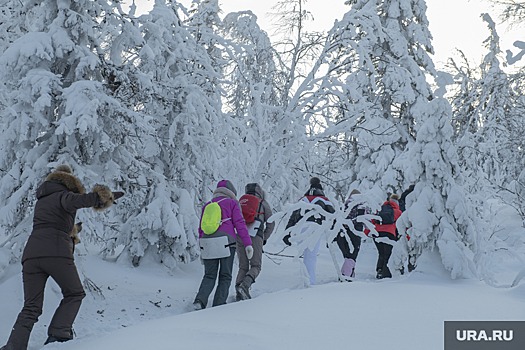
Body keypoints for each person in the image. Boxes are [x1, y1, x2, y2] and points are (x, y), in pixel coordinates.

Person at [1, 164, 123, 350]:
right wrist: (103, 196)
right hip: (56, 253)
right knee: (75, 293)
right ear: (69, 181)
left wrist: (74, 230)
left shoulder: (43, 200)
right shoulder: (64, 195)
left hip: (31, 255)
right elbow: (81, 201)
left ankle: (13, 347)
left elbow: (54, 223)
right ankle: (58, 336)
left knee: (31, 307)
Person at [193, 180, 253, 310]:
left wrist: (202, 248)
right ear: (232, 193)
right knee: (225, 275)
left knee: (209, 275)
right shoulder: (232, 203)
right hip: (226, 242)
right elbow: (240, 224)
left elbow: (200, 228)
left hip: (207, 242)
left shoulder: (208, 205)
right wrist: (248, 243)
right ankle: (218, 305)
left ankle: (200, 301)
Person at [285, 177, 335, 285]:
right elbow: (333, 215)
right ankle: (310, 281)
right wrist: (333, 233)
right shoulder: (324, 200)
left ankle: (305, 279)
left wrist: (288, 232)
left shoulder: (303, 199)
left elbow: (293, 215)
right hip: (315, 228)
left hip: (301, 227)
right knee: (311, 256)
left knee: (305, 255)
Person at [235, 183, 274, 301]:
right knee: (256, 265)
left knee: (243, 266)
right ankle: (245, 286)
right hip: (255, 235)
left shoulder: (241, 202)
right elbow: (271, 222)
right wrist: (264, 238)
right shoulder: (262, 203)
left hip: (240, 235)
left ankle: (238, 291)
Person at [334, 189, 371, 281]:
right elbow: (366, 220)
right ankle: (347, 275)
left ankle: (346, 273)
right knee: (352, 254)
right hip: (356, 231)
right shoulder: (362, 205)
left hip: (343, 231)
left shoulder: (345, 204)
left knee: (347, 255)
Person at [372, 193, 402, 279]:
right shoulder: (398, 212)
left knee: (381, 252)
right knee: (387, 254)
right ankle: (385, 273)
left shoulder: (380, 209)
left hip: (377, 233)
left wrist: (368, 232)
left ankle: (379, 270)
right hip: (389, 233)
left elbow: (373, 220)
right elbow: (401, 226)